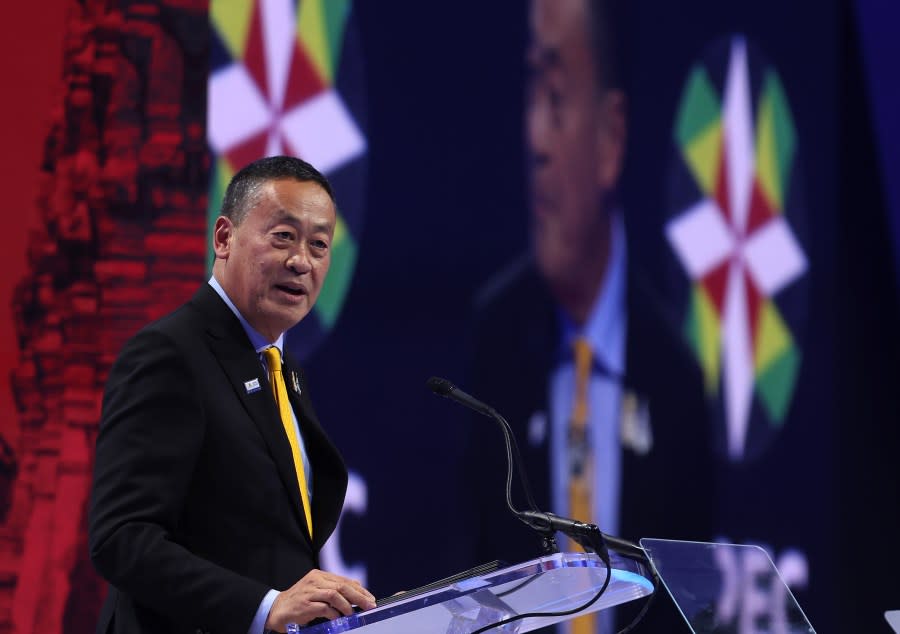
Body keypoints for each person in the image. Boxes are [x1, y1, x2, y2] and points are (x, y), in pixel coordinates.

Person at [465, 0, 713, 630]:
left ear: (611, 139)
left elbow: (696, 606)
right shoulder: (491, 343)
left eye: (555, 94)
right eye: (529, 96)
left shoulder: (677, 375)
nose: (535, 139)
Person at [88, 156, 376, 634]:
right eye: (283, 236)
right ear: (223, 238)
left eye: (319, 244)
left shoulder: (281, 368)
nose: (301, 260)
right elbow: (121, 538)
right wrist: (264, 607)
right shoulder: (169, 354)